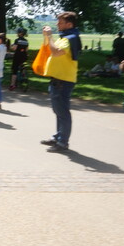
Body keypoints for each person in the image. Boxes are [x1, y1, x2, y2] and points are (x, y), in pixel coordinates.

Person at [40, 11, 82, 152]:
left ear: (69, 24)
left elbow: (56, 52)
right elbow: (49, 49)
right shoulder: (65, 37)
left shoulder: (70, 38)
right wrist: (48, 37)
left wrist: (50, 36)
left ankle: (63, 142)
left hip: (63, 81)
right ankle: (58, 137)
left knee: (63, 112)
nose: (57, 24)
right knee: (58, 111)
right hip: (58, 79)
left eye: (60, 22)